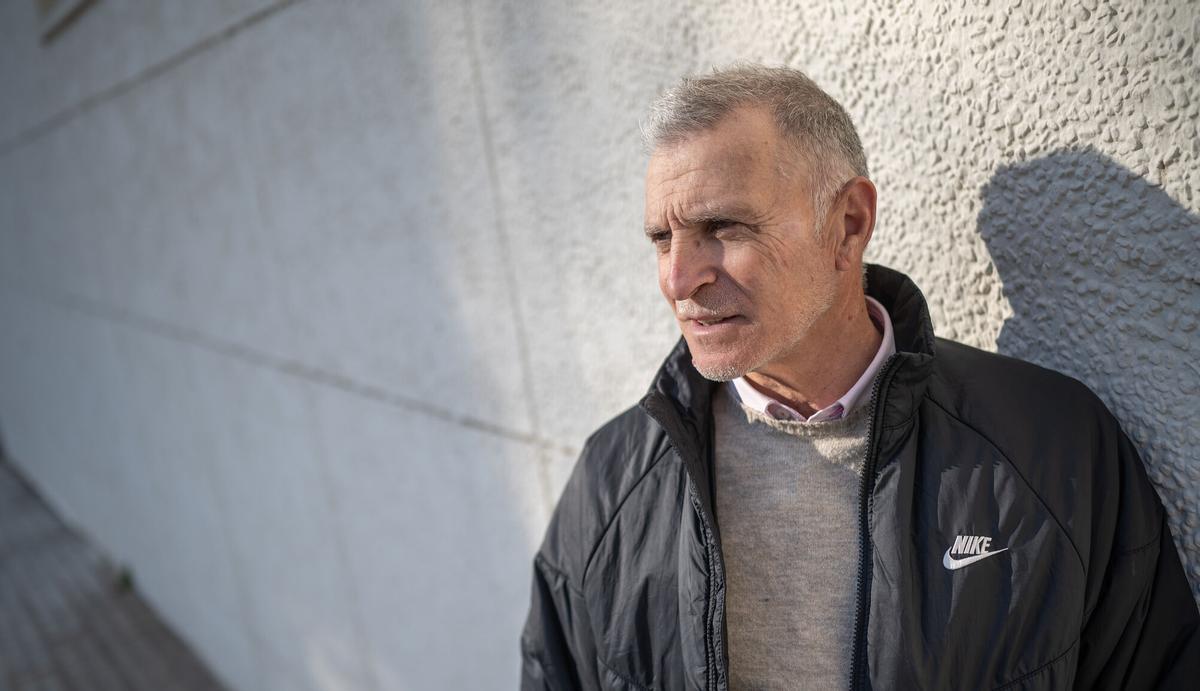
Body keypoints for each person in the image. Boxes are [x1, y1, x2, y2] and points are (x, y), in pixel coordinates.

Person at [519, 65, 1199, 690]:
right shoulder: (612, 482)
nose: (678, 278)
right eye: (662, 239)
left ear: (848, 223)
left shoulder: (1053, 448)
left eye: (721, 226)